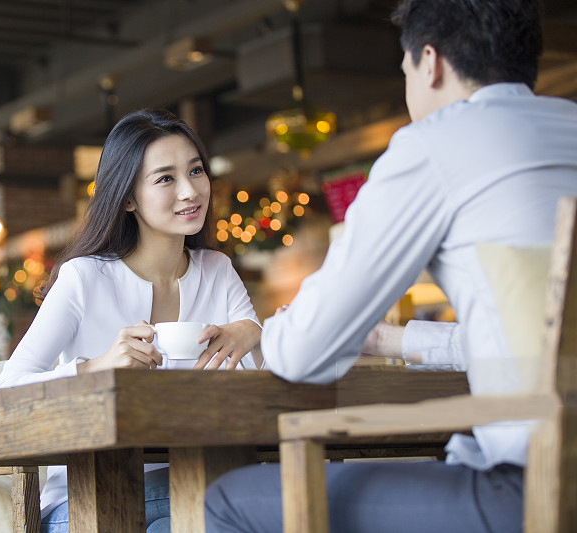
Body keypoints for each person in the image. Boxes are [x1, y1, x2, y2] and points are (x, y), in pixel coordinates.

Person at [204, 0, 577, 531]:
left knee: (227, 501)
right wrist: (396, 342)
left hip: (536, 494)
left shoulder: (435, 144)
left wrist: (281, 331)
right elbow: (544, 340)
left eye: (405, 72)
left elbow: (305, 356)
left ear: (431, 62)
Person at [0, 109, 262, 533]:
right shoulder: (85, 278)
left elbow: (263, 384)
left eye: (196, 171)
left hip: (199, 485)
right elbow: (2, 392)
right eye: (166, 178)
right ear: (128, 197)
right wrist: (96, 368)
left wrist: (253, 336)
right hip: (87, 503)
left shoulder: (218, 271)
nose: (191, 191)